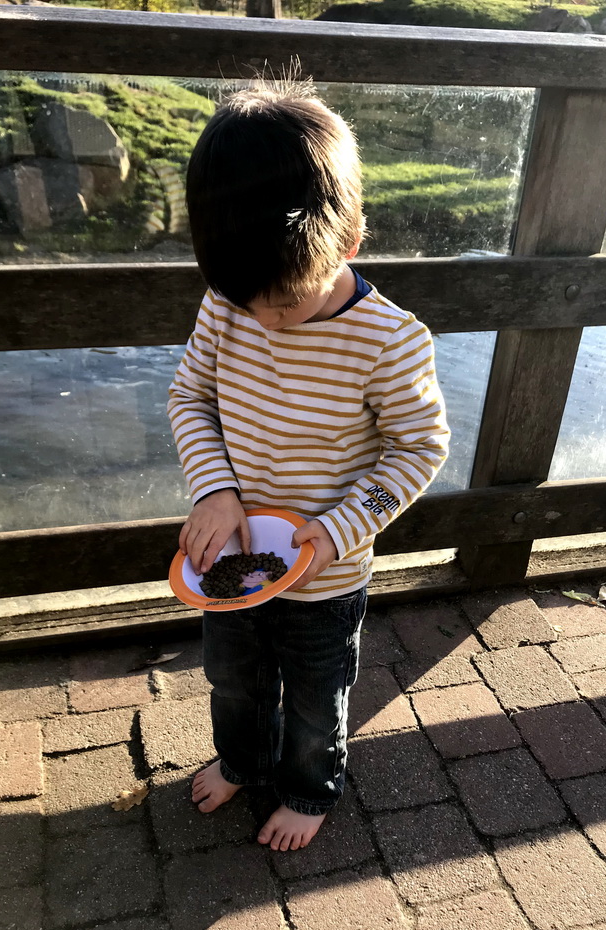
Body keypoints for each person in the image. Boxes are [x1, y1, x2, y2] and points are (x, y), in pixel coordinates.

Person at [167, 79, 449, 852]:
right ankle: (242, 760)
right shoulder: (229, 298)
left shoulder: (390, 341)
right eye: (246, 302)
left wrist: (334, 532)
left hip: (326, 571)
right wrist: (216, 492)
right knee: (233, 677)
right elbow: (190, 398)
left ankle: (309, 788)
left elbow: (419, 447)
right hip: (235, 560)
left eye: (283, 308)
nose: (262, 320)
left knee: (318, 694)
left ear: (349, 240)